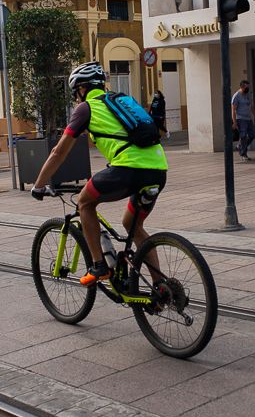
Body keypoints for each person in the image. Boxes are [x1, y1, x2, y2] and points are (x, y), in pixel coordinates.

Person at [31, 61, 168, 286]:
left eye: (76, 92)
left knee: (85, 202)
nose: (77, 98)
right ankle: (161, 286)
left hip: (128, 170)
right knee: (132, 224)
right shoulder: (122, 101)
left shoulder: (86, 108)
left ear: (82, 89)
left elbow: (58, 152)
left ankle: (99, 266)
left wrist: (39, 185)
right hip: (158, 170)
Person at [231, 79, 255, 161]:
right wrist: (234, 122)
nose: (248, 89)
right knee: (243, 136)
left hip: (248, 118)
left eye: (248, 87)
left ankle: (240, 146)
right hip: (241, 119)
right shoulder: (236, 96)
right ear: (242, 87)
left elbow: (251, 106)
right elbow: (233, 110)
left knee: (252, 135)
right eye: (246, 87)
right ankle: (243, 154)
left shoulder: (248, 94)